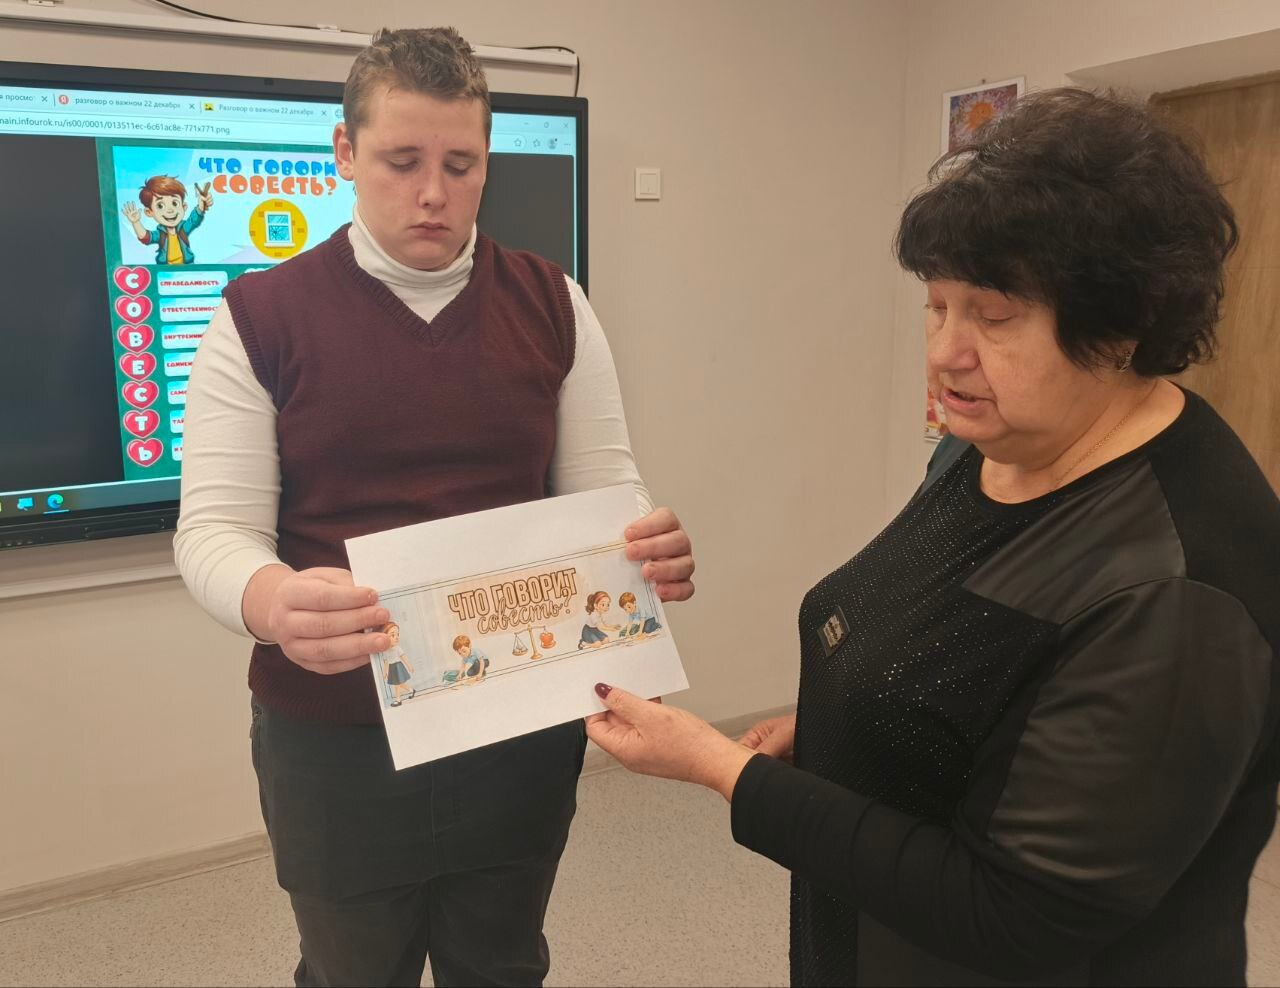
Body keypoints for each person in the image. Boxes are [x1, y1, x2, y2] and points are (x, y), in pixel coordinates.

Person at [587, 88, 1280, 987]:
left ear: (1119, 329)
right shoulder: (992, 441)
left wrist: (724, 771)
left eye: (993, 316)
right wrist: (853, 725)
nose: (948, 351)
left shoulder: (1177, 597)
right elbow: (963, 660)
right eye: (936, 305)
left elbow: (1011, 919)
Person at [174, 26, 695, 988]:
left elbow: (605, 495)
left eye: (461, 166)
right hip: (337, 736)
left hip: (515, 725)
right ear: (345, 153)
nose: (432, 193)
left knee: (500, 963)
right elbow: (213, 531)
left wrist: (642, 546)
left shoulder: (554, 303)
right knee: (351, 971)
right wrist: (271, 601)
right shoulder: (259, 316)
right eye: (402, 161)